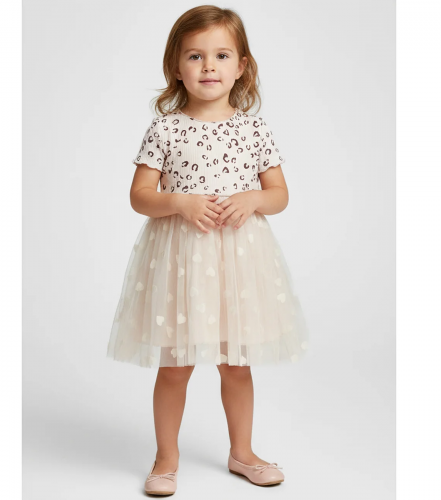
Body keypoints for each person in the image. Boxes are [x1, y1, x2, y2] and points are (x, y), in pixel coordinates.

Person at [106, 5, 309, 496]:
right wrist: (178, 202)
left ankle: (243, 452)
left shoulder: (254, 128)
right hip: (182, 261)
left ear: (242, 66)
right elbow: (140, 196)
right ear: (176, 67)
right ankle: (166, 458)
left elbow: (280, 195)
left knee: (236, 365)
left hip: (238, 261)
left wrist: (254, 198)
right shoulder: (165, 128)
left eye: (221, 55)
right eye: (195, 56)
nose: (209, 66)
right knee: (175, 366)